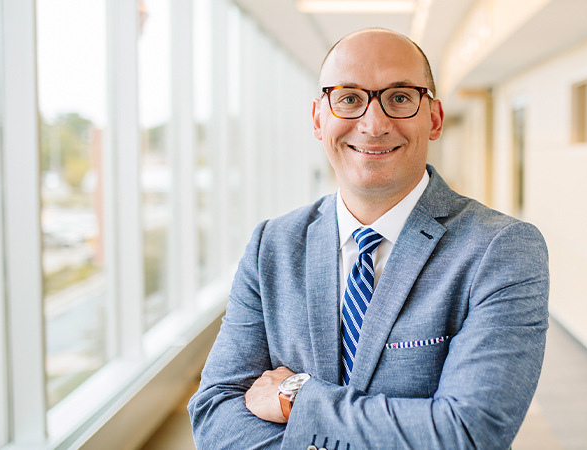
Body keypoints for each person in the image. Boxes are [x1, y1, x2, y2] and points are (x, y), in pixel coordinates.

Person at [188, 28, 549, 450]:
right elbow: (215, 411)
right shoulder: (273, 245)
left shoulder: (501, 249)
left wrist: (298, 397)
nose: (374, 125)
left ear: (433, 118)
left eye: (400, 98)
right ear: (319, 119)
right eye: (348, 98)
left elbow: (469, 433)